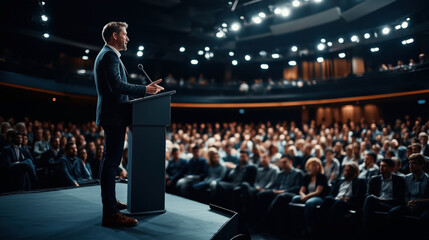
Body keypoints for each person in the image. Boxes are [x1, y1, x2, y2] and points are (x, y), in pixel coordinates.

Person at [94, 21, 164, 228]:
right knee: (110, 162)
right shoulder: (109, 55)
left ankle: (111, 203)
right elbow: (116, 86)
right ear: (115, 35)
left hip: (113, 115)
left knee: (109, 161)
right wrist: (145, 90)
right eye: (124, 34)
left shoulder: (107, 54)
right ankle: (110, 213)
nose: (127, 38)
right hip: (114, 116)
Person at [321, 162, 366, 239]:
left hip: (350, 202)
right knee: (327, 199)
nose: (346, 172)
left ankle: (330, 231)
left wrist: (346, 199)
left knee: (339, 203)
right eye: (346, 170)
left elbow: (359, 196)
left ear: (354, 172)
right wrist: (336, 198)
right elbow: (331, 194)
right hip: (337, 199)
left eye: (349, 171)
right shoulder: (339, 181)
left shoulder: (360, 181)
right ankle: (321, 226)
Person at [361, 158, 405, 235]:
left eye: (384, 166)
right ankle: (365, 229)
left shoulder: (399, 179)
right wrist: (378, 199)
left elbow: (400, 198)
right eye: (380, 165)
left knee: (395, 211)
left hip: (391, 204)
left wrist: (385, 200)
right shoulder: (374, 179)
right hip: (378, 202)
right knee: (369, 198)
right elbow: (368, 194)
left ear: (391, 168)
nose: (381, 168)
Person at [389, 153, 429, 237]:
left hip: (424, 207)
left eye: (414, 163)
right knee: (393, 212)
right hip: (409, 205)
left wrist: (417, 202)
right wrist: (409, 204)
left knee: (424, 218)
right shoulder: (406, 178)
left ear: (421, 165)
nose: (410, 165)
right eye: (410, 163)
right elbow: (405, 194)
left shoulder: (427, 179)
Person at [291, 157, 328, 236]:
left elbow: (318, 192)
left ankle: (308, 228)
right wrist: (303, 195)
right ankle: (295, 224)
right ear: (309, 166)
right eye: (313, 165)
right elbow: (301, 190)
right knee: (294, 199)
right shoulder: (306, 177)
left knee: (309, 203)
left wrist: (306, 196)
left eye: (317, 165)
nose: (316, 167)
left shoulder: (322, 177)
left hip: (318, 197)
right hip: (307, 196)